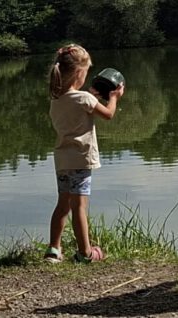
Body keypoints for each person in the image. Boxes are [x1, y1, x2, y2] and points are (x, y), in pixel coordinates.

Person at [45, 43, 124, 264]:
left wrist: (91, 95)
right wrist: (115, 97)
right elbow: (107, 114)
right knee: (79, 206)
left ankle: (53, 249)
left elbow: (78, 103)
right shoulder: (84, 99)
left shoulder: (56, 99)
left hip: (62, 160)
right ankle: (85, 253)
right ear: (79, 73)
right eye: (86, 73)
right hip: (81, 159)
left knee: (63, 204)